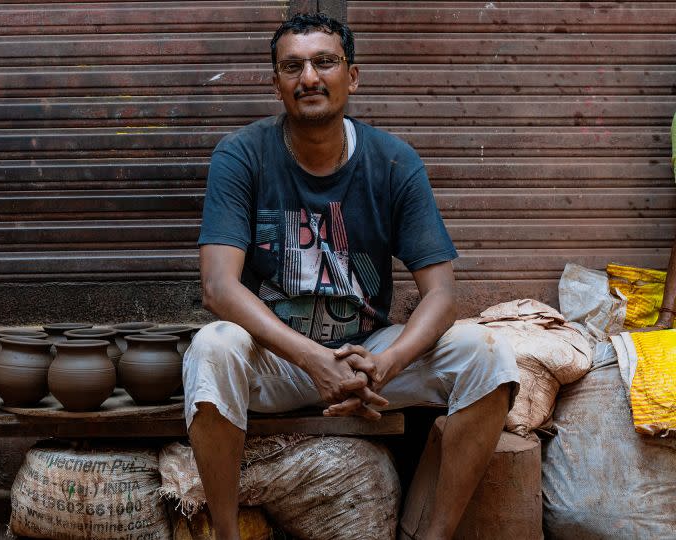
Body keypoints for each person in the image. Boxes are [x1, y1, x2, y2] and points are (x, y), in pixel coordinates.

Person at [184, 12, 520, 540]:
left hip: (367, 360)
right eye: (292, 67)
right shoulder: (242, 155)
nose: (309, 78)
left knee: (486, 352)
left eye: (325, 62)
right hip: (279, 361)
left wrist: (388, 361)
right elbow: (218, 288)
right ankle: (226, 534)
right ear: (276, 85)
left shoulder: (392, 161)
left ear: (352, 76)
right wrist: (314, 360)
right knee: (212, 347)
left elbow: (441, 294)